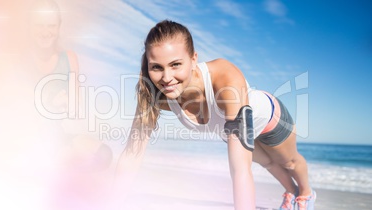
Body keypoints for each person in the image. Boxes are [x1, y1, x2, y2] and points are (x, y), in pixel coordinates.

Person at [114, 20, 316, 210]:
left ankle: (306, 194)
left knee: (288, 162)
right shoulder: (153, 95)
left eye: (176, 64)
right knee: (268, 163)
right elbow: (133, 152)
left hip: (270, 117)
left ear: (193, 59)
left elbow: (239, 170)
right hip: (231, 128)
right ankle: (290, 192)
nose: (167, 78)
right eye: (157, 67)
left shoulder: (224, 77)